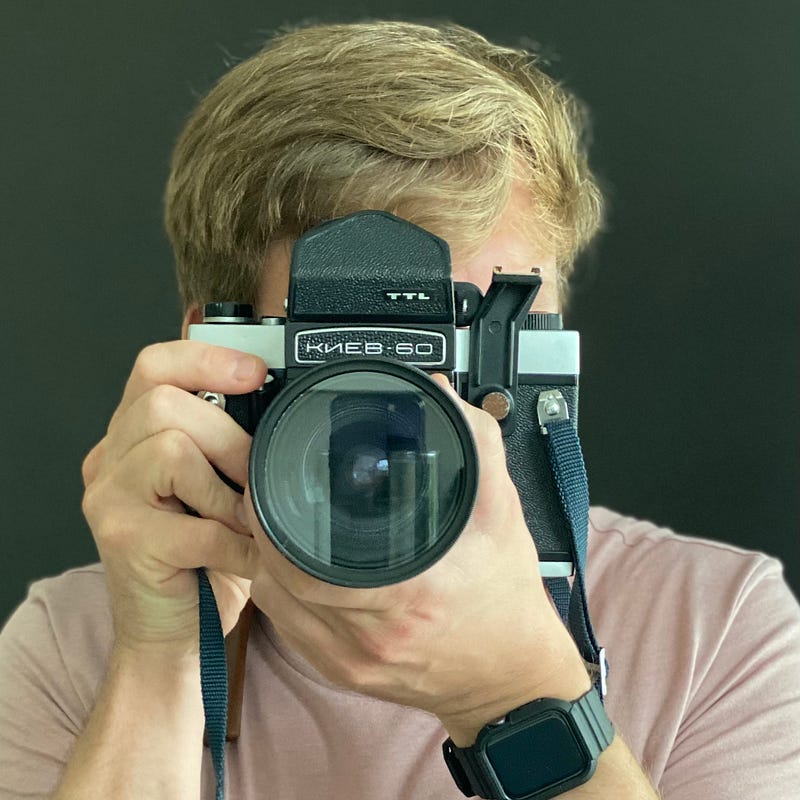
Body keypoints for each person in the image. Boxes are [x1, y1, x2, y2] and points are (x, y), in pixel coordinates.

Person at [1, 19, 798, 800]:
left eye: (462, 357)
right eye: (364, 365)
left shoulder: (716, 631)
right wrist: (161, 660)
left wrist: (518, 694)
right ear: (214, 359)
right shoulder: (74, 648)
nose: (412, 421)